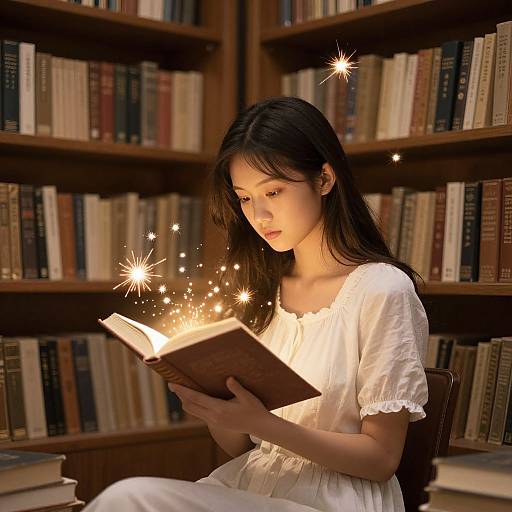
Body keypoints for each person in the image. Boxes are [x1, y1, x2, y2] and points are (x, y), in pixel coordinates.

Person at [84, 96, 428, 512]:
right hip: (254, 487)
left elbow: (381, 459)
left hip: (338, 500)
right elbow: (240, 448)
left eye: (274, 191)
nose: (259, 214)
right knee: (125, 497)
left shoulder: (382, 290)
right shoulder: (264, 291)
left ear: (324, 179)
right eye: (245, 198)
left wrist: (262, 424)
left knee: (131, 498)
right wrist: (215, 407)